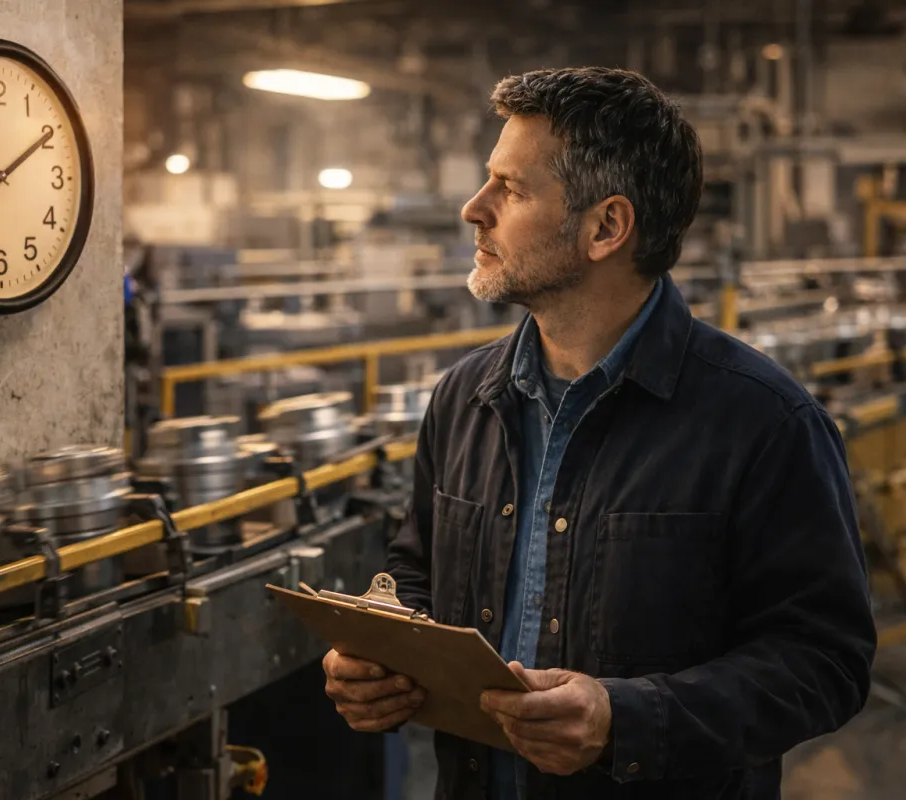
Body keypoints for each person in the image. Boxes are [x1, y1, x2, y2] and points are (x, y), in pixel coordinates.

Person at [322, 67, 876, 799]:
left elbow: (822, 661)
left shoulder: (764, 423)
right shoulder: (465, 399)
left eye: (511, 189)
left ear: (606, 227)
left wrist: (627, 719)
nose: (472, 209)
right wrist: (383, 645)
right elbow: (416, 567)